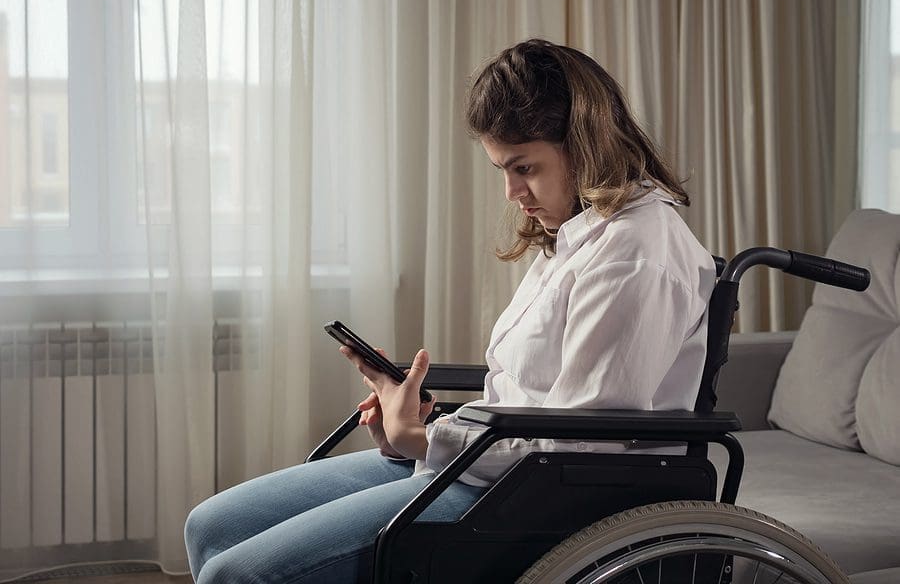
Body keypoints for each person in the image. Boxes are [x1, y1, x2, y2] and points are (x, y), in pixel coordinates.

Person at [184, 38, 715, 583]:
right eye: (501, 169)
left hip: (548, 497)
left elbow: (577, 443)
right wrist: (419, 421)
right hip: (497, 469)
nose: (511, 192)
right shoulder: (579, 235)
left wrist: (425, 438)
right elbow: (524, 397)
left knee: (240, 574)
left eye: (524, 167)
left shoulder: (637, 252)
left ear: (585, 143)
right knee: (211, 526)